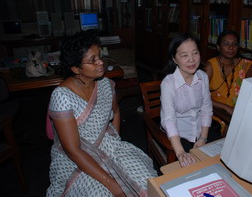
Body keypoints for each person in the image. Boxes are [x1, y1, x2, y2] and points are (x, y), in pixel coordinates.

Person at [46, 31, 157, 197]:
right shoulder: (62, 96)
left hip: (108, 144)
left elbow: (116, 111)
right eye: (92, 60)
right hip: (77, 158)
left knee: (146, 181)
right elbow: (73, 151)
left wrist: (114, 139)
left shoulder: (105, 84)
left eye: (99, 56)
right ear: (76, 69)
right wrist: (111, 184)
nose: (100, 63)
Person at [160, 32, 219, 168]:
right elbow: (169, 120)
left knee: (221, 160)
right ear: (174, 59)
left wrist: (203, 138)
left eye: (195, 53)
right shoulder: (168, 84)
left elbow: (206, 109)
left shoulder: (202, 77)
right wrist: (180, 152)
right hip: (179, 136)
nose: (191, 60)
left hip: (201, 131)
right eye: (184, 55)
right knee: (191, 169)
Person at [204, 30, 252, 131]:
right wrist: (226, 107)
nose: (231, 48)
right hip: (214, 114)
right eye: (226, 43)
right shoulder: (210, 66)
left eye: (234, 44)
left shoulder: (245, 65)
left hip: (238, 113)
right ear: (218, 47)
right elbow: (200, 97)